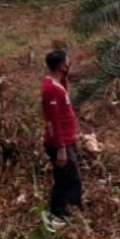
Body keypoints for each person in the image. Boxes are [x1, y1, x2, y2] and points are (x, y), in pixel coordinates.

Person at [41, 48, 82, 219]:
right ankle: (66, 214)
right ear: (60, 66)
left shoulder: (57, 84)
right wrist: (61, 148)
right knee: (71, 180)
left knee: (63, 179)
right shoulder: (51, 89)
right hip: (60, 144)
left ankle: (60, 213)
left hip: (66, 140)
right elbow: (53, 120)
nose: (69, 63)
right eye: (67, 61)